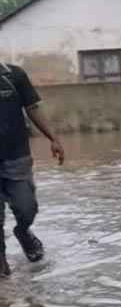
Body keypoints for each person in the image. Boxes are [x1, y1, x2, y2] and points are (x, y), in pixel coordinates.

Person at [0, 63, 63, 276]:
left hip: (16, 156)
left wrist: (53, 139)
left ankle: (23, 231)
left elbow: (32, 108)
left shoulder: (14, 75)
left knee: (27, 207)